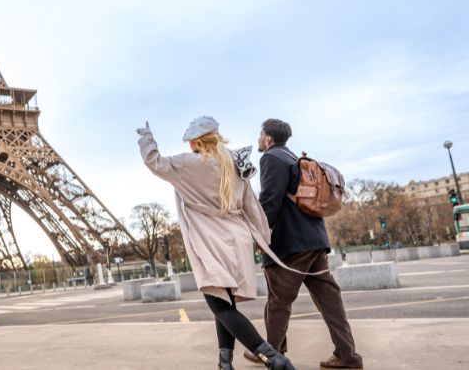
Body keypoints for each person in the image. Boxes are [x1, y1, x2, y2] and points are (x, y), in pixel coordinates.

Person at [138, 117, 296, 370]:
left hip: (211, 242)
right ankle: (225, 364)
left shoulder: (188, 163)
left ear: (196, 141)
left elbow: (154, 162)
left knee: (220, 306)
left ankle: (274, 359)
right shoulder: (234, 161)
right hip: (238, 238)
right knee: (224, 303)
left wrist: (147, 138)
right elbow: (252, 206)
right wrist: (262, 237)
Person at [245, 118, 363, 369]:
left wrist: (258, 237)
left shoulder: (271, 158)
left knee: (278, 301)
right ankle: (347, 355)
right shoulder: (295, 158)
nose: (258, 140)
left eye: (259, 135)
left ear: (267, 139)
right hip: (315, 240)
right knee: (330, 302)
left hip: (290, 244)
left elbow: (269, 203)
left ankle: (270, 353)